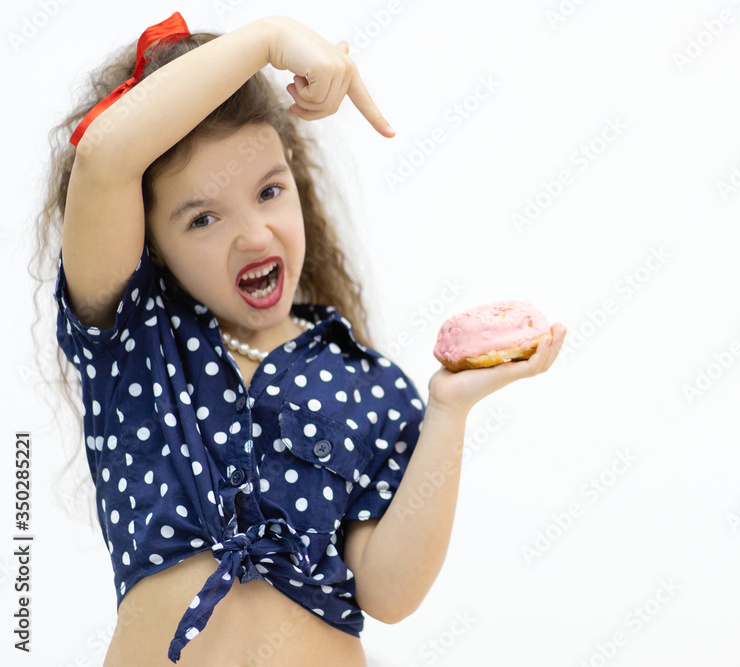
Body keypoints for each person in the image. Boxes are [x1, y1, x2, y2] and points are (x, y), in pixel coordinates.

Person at [36, 12, 566, 666]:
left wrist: (449, 411)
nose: (253, 234)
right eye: (202, 217)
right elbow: (104, 157)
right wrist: (266, 40)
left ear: (298, 182)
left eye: (268, 191)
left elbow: (389, 591)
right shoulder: (134, 336)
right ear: (154, 245)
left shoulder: (365, 380)